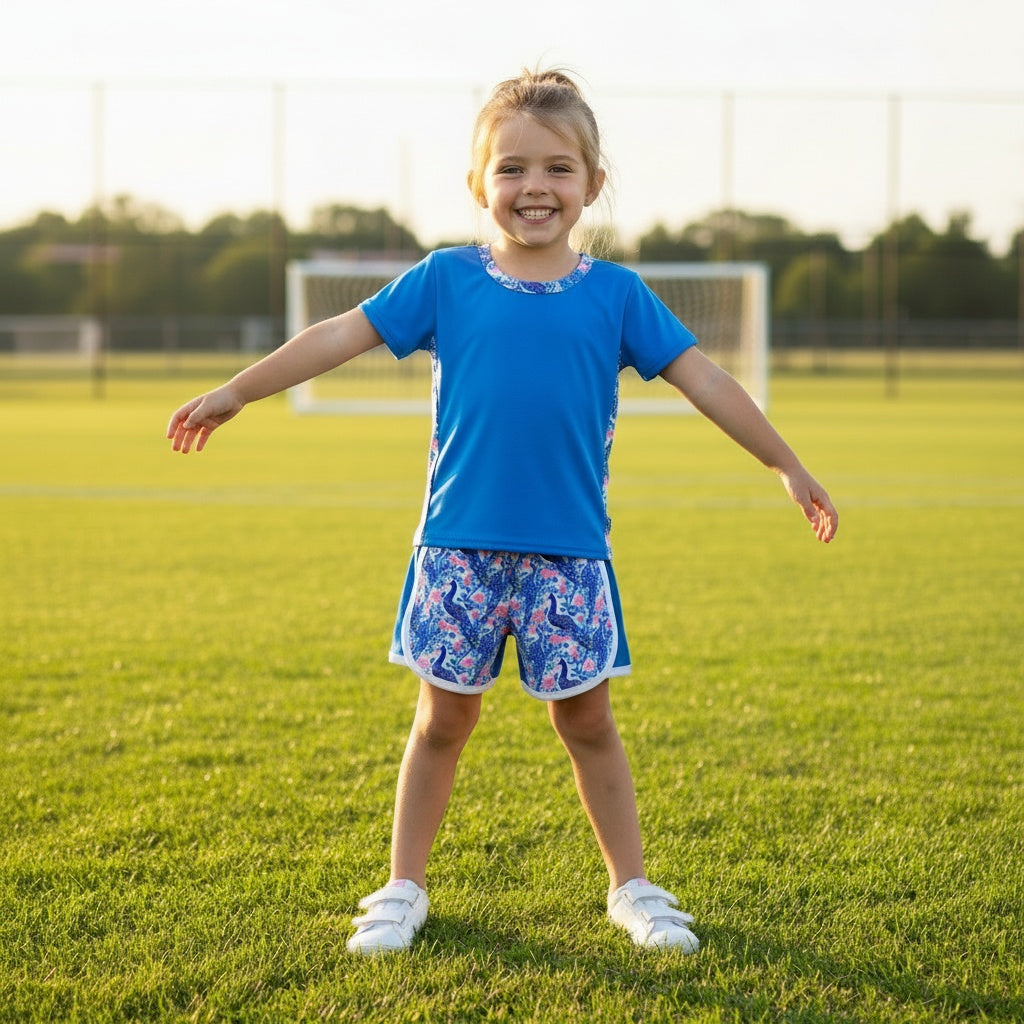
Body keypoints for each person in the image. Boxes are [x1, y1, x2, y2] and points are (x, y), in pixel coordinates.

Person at [167, 68, 838, 956]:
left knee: (588, 721)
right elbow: (338, 334)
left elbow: (705, 379)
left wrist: (784, 462)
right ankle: (403, 888)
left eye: (559, 169)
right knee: (442, 721)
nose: (535, 188)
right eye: (513, 168)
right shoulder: (446, 279)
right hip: (458, 550)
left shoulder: (618, 294)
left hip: (568, 556)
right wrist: (239, 391)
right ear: (479, 183)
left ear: (592, 185)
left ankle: (631, 887)